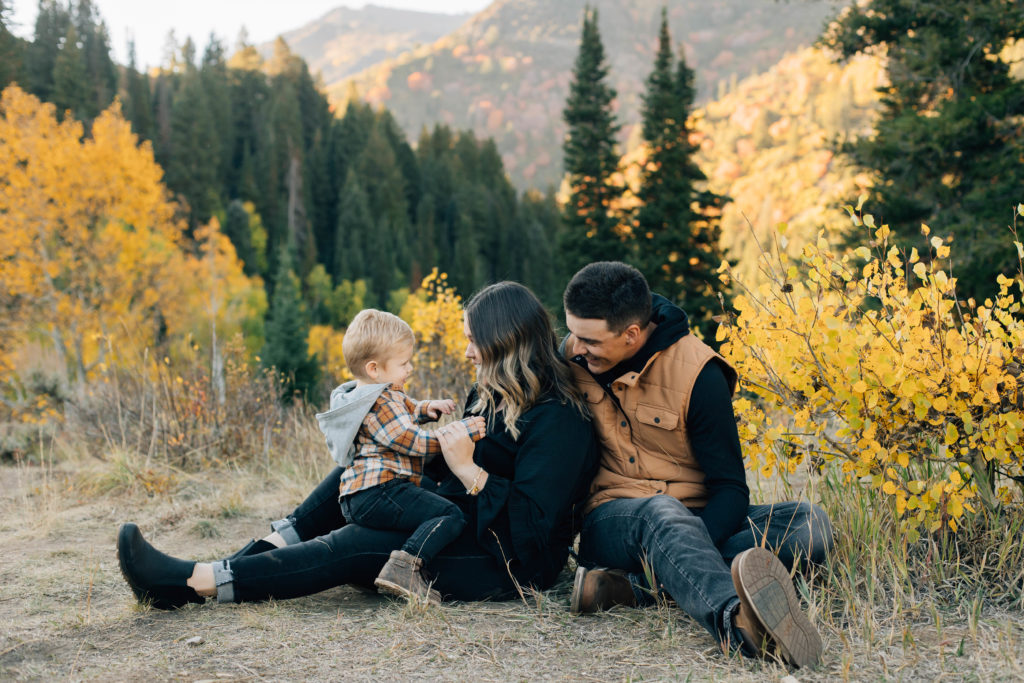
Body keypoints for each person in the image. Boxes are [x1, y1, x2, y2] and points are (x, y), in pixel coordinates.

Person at [117, 282, 597, 610]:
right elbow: (436, 462)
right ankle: (227, 567)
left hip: (503, 563)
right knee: (365, 470)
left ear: (505, 343)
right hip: (454, 522)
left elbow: (534, 530)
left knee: (357, 543)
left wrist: (470, 473)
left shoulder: (560, 421)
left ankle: (193, 584)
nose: (467, 352)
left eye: (475, 341)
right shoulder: (492, 391)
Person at [561, 261, 833, 669]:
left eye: (589, 341)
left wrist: (686, 546)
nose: (576, 347)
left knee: (808, 524)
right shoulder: (569, 358)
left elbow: (730, 488)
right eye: (573, 334)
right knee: (661, 512)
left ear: (632, 333)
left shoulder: (699, 374)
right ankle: (737, 620)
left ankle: (633, 589)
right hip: (614, 520)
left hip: (697, 518)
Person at [318, 308, 486, 604]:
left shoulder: (379, 393)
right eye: (403, 363)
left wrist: (427, 408)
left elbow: (405, 408)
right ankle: (404, 568)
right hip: (379, 490)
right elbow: (410, 440)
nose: (409, 369)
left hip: (367, 493)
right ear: (374, 369)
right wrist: (460, 433)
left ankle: (372, 570)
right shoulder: (379, 403)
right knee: (448, 514)